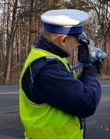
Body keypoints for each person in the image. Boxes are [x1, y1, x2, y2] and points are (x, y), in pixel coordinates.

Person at [19, 9, 102, 139]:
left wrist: (85, 75)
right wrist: (91, 76)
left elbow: (67, 91)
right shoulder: (47, 70)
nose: (77, 46)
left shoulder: (48, 58)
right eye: (77, 40)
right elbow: (86, 103)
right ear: (63, 39)